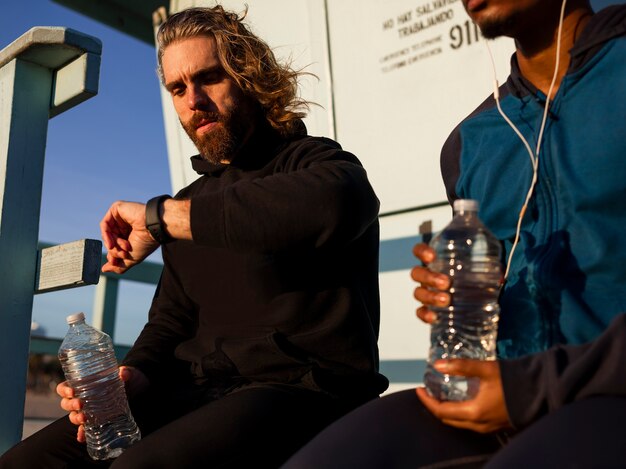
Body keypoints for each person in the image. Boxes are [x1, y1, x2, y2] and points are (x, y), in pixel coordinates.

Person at [0, 6, 388, 468]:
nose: (193, 100)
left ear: (248, 77)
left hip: (304, 391)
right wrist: (134, 373)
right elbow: (171, 320)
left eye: (209, 77)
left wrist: (163, 219)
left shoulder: (314, 162)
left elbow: (337, 204)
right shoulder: (190, 201)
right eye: (177, 88)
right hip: (196, 392)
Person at [282, 0, 626, 467]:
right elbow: (500, 292)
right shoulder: (470, 141)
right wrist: (458, 292)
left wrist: (537, 386)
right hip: (494, 399)